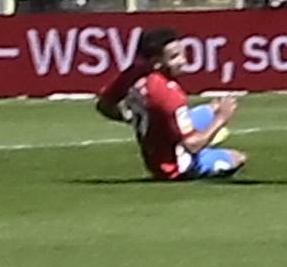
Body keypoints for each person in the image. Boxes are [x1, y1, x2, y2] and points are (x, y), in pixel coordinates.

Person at [94, 27, 247, 181]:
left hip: (157, 144)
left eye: (182, 54)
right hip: (175, 166)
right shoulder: (169, 95)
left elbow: (104, 105)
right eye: (174, 57)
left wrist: (134, 118)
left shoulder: (135, 72)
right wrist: (221, 118)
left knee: (212, 109)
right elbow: (192, 145)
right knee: (238, 157)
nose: (183, 61)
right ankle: (205, 155)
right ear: (157, 62)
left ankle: (201, 135)